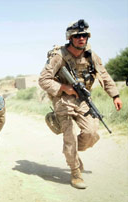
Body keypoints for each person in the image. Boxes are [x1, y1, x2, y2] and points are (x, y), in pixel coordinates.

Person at [38, 19, 122, 189]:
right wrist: (63, 87)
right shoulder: (59, 56)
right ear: (70, 37)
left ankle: (73, 153)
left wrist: (115, 95)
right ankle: (75, 171)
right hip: (63, 100)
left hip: (83, 99)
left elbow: (104, 76)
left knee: (91, 133)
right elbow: (43, 80)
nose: (81, 39)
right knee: (70, 137)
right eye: (77, 36)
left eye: (84, 35)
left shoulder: (92, 56)